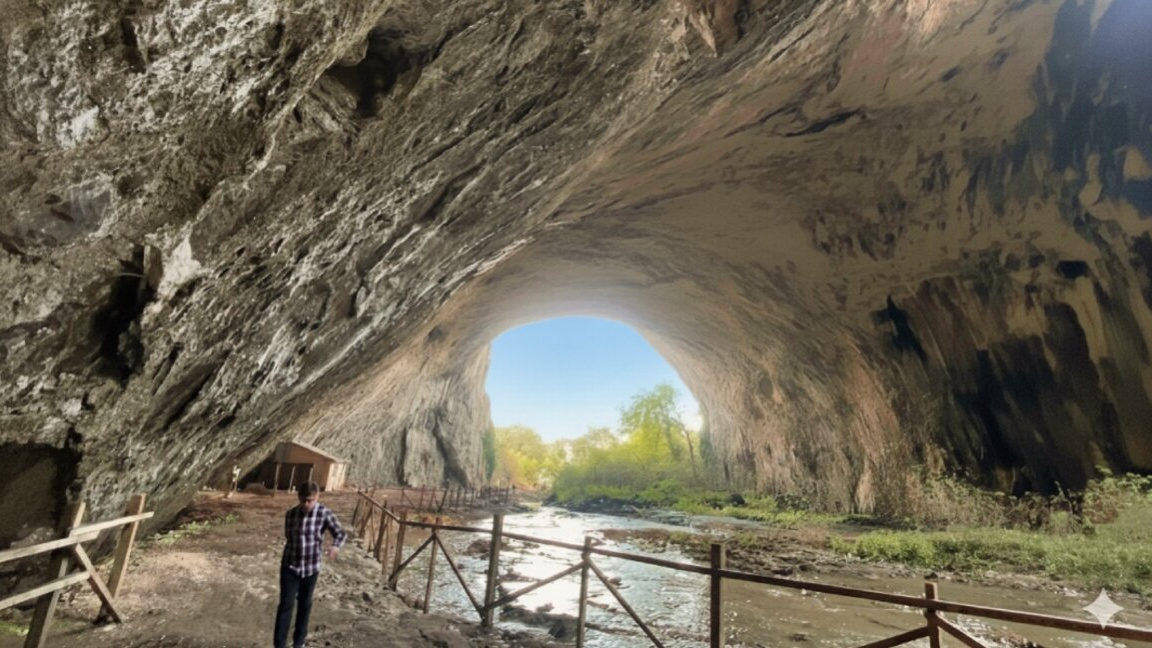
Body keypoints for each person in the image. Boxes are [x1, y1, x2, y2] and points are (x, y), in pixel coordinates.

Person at [274, 481, 346, 648]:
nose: (306, 504)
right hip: (290, 566)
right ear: (298, 497)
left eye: (310, 500)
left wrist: (336, 546)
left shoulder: (324, 513)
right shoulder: (290, 514)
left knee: (305, 605)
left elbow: (340, 533)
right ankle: (279, 644)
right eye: (303, 500)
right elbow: (289, 537)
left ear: (317, 497)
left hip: (311, 568)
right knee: (286, 605)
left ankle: (299, 642)